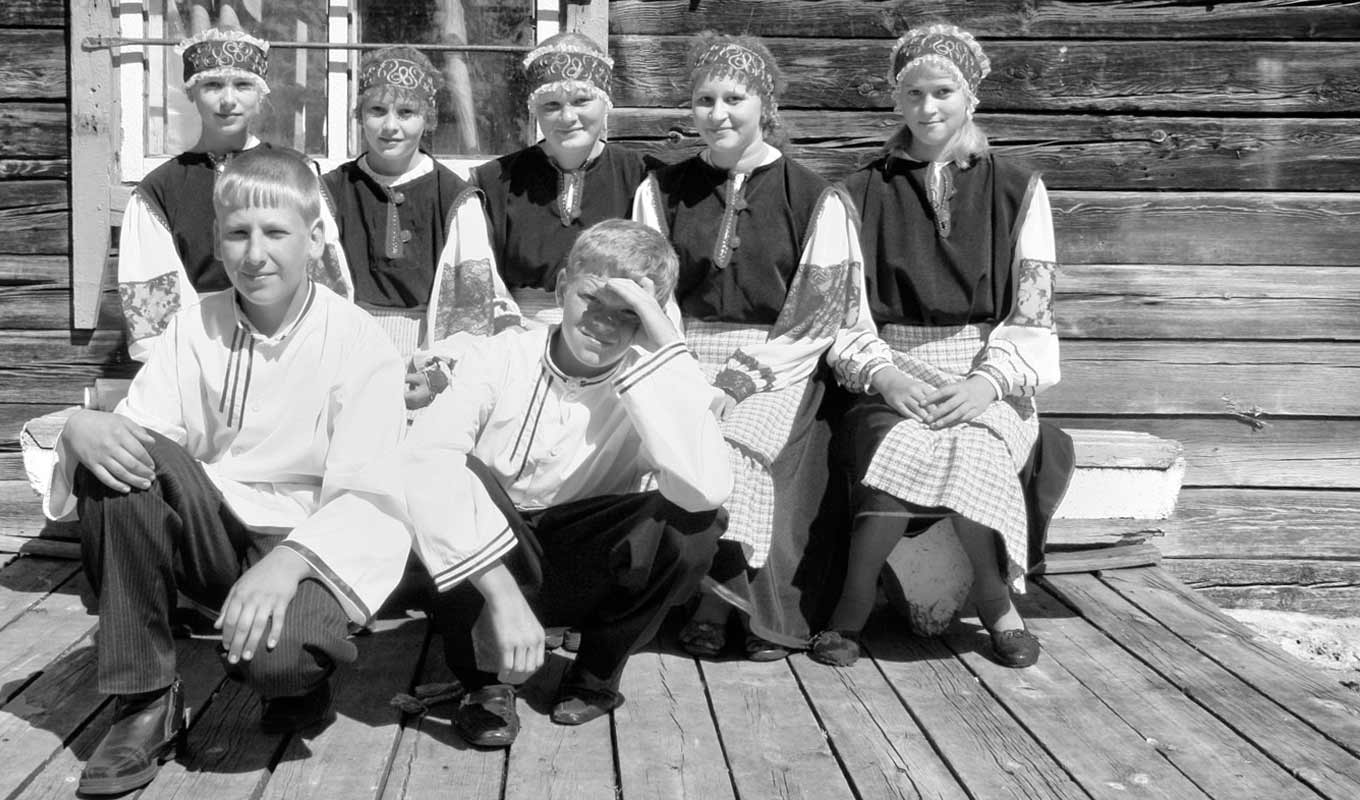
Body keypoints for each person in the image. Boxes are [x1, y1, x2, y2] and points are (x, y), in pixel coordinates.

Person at [45, 150, 411, 795]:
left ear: (316, 237)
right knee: (116, 457)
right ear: (218, 240)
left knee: (279, 664)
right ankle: (145, 701)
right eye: (239, 233)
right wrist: (77, 427)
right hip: (217, 526)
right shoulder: (194, 326)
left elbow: (371, 492)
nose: (255, 254)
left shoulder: (358, 341)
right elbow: (145, 437)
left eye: (276, 234)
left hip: (309, 541)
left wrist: (290, 562)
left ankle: (301, 679)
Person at [400, 220, 731, 748]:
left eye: (629, 313)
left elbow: (705, 490)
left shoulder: (656, 382)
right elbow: (426, 463)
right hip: (485, 560)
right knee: (457, 477)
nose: (604, 323)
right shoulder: (497, 356)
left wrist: (665, 342)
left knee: (695, 524)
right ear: (559, 290)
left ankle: (596, 675)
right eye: (592, 300)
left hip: (577, 558)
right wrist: (504, 598)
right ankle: (482, 685)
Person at [816, 23, 1072, 670]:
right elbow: (843, 316)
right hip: (891, 370)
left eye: (943, 91)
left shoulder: (1018, 190)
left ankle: (994, 598)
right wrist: (882, 376)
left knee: (976, 443)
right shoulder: (856, 193)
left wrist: (987, 384)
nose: (928, 108)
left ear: (972, 97)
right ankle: (850, 602)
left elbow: (1032, 310)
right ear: (896, 101)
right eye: (913, 94)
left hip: (986, 371)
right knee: (899, 443)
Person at [633, 32, 853, 660]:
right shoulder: (662, 191)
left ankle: (720, 606)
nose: (718, 113)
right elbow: (653, 291)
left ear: (767, 103)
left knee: (738, 450)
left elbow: (815, 315)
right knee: (660, 447)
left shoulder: (814, 197)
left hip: (775, 363)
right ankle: (669, 598)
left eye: (735, 97)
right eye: (705, 99)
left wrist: (735, 382)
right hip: (676, 352)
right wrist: (679, 370)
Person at [117, 25, 350, 362]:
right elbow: (154, 317)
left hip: (291, 350)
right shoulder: (160, 190)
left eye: (242, 85)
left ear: (261, 94)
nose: (228, 100)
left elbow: (322, 272)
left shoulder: (296, 171)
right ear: (192, 93)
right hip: (200, 353)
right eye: (212, 85)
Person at [322, 46, 520, 407]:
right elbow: (319, 291)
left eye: (407, 112)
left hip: (427, 353)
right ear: (359, 114)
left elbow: (470, 303)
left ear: (427, 119)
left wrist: (436, 371)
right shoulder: (331, 193)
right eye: (377, 110)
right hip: (347, 357)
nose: (390, 126)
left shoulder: (456, 199)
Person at [473, 32, 646, 319]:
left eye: (581, 101)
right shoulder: (494, 182)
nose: (567, 117)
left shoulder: (639, 176)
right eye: (551, 105)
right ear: (534, 109)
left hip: (612, 329)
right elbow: (482, 278)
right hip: (521, 332)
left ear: (605, 101)